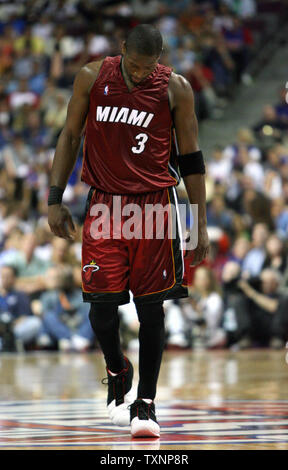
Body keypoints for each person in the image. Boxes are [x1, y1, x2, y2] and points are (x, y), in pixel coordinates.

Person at [47, 24, 209, 438]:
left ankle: (147, 404)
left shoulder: (177, 89)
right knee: (101, 311)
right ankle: (118, 369)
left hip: (156, 205)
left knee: (151, 310)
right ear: (122, 52)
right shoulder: (91, 76)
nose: (139, 74)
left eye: (147, 67)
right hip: (104, 203)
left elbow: (190, 158)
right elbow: (70, 135)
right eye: (134, 66)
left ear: (160, 59)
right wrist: (54, 198)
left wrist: (198, 223)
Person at [0, 265, 41, 351]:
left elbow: (25, 316)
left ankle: (11, 342)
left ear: (14, 278)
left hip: (15, 329)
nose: (5, 279)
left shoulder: (20, 295)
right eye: (2, 276)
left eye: (8, 276)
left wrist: (11, 325)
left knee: (35, 322)